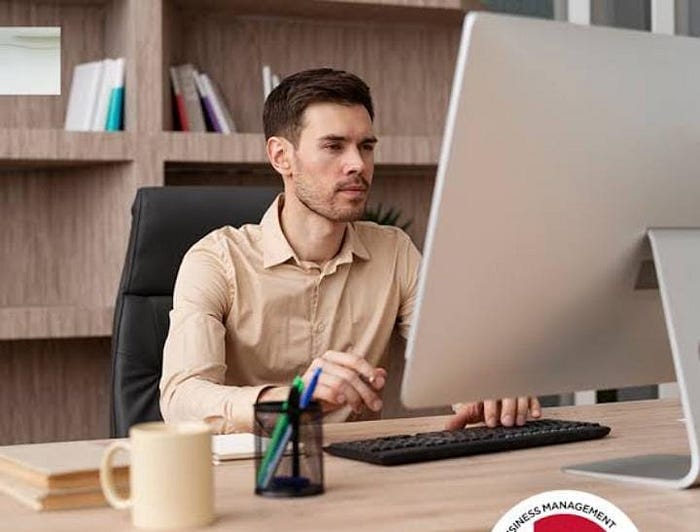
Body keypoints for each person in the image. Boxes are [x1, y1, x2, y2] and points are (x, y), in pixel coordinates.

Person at [159, 68, 541, 433]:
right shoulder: (216, 260)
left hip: (364, 467)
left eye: (366, 146)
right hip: (253, 468)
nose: (358, 164)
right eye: (334, 146)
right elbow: (180, 399)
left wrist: (486, 388)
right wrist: (291, 401)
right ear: (281, 157)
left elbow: (450, 362)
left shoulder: (394, 251)